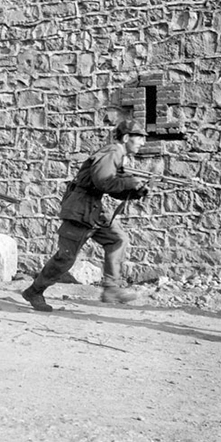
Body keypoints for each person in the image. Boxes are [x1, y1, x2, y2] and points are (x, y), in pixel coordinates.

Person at [21, 119, 149, 312]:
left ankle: (111, 288)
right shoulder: (113, 151)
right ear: (125, 137)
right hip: (80, 209)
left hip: (93, 208)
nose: (143, 143)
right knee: (66, 258)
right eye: (139, 138)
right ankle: (34, 291)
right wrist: (130, 183)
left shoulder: (118, 154)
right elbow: (103, 182)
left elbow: (112, 187)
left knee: (117, 239)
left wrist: (136, 190)